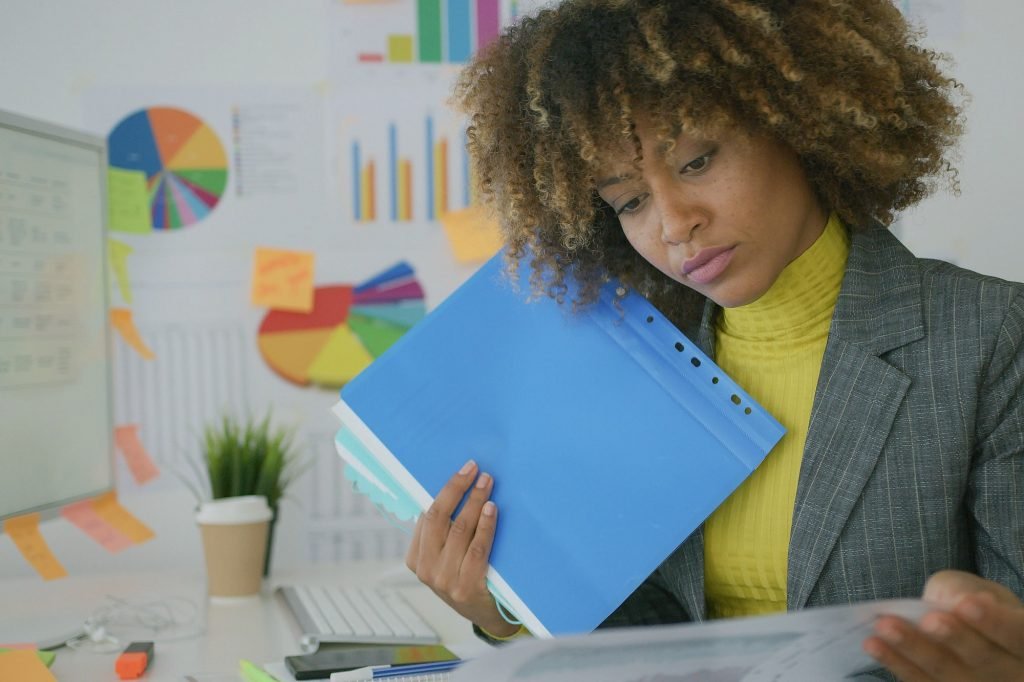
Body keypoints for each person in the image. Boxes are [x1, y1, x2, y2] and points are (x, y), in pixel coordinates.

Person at [402, 1, 1024, 679]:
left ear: (798, 121)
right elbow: (655, 630)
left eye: (696, 161)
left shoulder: (988, 338)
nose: (674, 224)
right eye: (630, 202)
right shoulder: (649, 358)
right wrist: (507, 614)